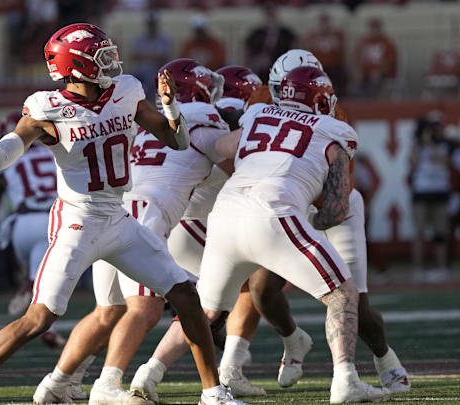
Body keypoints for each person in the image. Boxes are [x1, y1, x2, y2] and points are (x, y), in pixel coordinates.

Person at [0, 23, 241, 405]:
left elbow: (177, 141)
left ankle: (213, 394)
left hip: (119, 217)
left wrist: (170, 106)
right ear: (76, 65)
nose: (111, 60)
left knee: (185, 295)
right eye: (101, 55)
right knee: (39, 318)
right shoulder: (47, 108)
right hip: (77, 222)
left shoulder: (126, 90)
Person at [133, 51, 410, 400]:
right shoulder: (334, 127)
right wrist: (309, 231)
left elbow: (224, 141)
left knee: (205, 307)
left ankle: (148, 374)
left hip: (227, 214)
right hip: (277, 211)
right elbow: (336, 209)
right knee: (342, 294)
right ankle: (346, 381)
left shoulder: (257, 112)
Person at [32, 58, 230, 405]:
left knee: (107, 310)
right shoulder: (204, 120)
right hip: (145, 213)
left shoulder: (144, 115)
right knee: (144, 308)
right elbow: (229, 164)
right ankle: (108, 384)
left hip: (117, 207)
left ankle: (55, 383)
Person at [0, 112, 66, 349]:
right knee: (49, 283)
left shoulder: (6, 158)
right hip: (53, 221)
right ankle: (32, 288)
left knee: (42, 281)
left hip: (21, 223)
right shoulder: (53, 153)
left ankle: (33, 293)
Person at [410, 112, 452, 281]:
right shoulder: (417, 146)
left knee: (441, 231)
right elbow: (413, 162)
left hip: (440, 191)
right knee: (419, 231)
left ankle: (441, 266)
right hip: (422, 191)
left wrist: (431, 144)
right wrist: (420, 143)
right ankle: (418, 267)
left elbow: (444, 161)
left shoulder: (445, 145)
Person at [244, 2, 295, 83]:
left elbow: (293, 54)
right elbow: (248, 54)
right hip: (260, 69)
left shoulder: (286, 34)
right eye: (269, 11)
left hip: (280, 67)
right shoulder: (256, 34)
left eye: (273, 11)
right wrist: (255, 61)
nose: (271, 14)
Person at [303, 13, 347, 95]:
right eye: (322, 22)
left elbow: (341, 51)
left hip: (334, 66)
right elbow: (308, 51)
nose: (324, 25)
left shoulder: (337, 34)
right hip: (318, 67)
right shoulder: (312, 36)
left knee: (338, 71)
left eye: (326, 22)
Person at [131, 12, 172, 100]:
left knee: (152, 82)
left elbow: (164, 59)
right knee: (131, 81)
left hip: (157, 72)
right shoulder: (139, 39)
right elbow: (134, 56)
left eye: (153, 24)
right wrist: (153, 56)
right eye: (150, 24)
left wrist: (145, 56)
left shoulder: (164, 39)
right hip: (141, 72)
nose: (151, 26)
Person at [354, 18, 397, 99]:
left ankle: (373, 103)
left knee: (375, 81)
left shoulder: (387, 43)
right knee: (360, 86)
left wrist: (379, 71)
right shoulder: (364, 42)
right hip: (366, 73)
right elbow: (358, 60)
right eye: (372, 28)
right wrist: (360, 72)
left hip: (382, 73)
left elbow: (390, 62)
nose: (374, 31)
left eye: (376, 28)